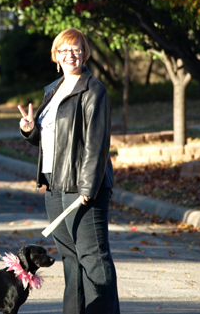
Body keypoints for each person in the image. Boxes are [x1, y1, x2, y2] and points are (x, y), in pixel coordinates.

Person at [18, 28, 120, 314]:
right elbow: (54, 139)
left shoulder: (93, 90)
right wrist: (30, 129)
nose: (70, 55)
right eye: (63, 50)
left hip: (83, 187)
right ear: (56, 56)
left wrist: (88, 187)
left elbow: (97, 144)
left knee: (93, 258)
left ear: (84, 52)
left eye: (76, 49)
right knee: (70, 259)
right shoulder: (53, 89)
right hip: (54, 185)